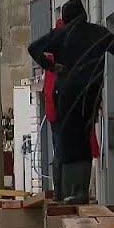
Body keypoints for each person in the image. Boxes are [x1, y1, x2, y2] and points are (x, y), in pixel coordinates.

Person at [29, 0, 114, 204]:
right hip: (91, 92)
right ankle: (82, 191)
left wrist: (51, 67)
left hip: (68, 93)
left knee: (68, 140)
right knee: (85, 136)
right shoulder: (98, 32)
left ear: (66, 18)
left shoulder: (61, 35)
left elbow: (33, 48)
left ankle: (71, 192)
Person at [44, 19, 100, 202]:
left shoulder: (55, 50)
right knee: (68, 150)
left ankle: (62, 193)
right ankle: (71, 191)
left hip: (58, 110)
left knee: (60, 150)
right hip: (66, 111)